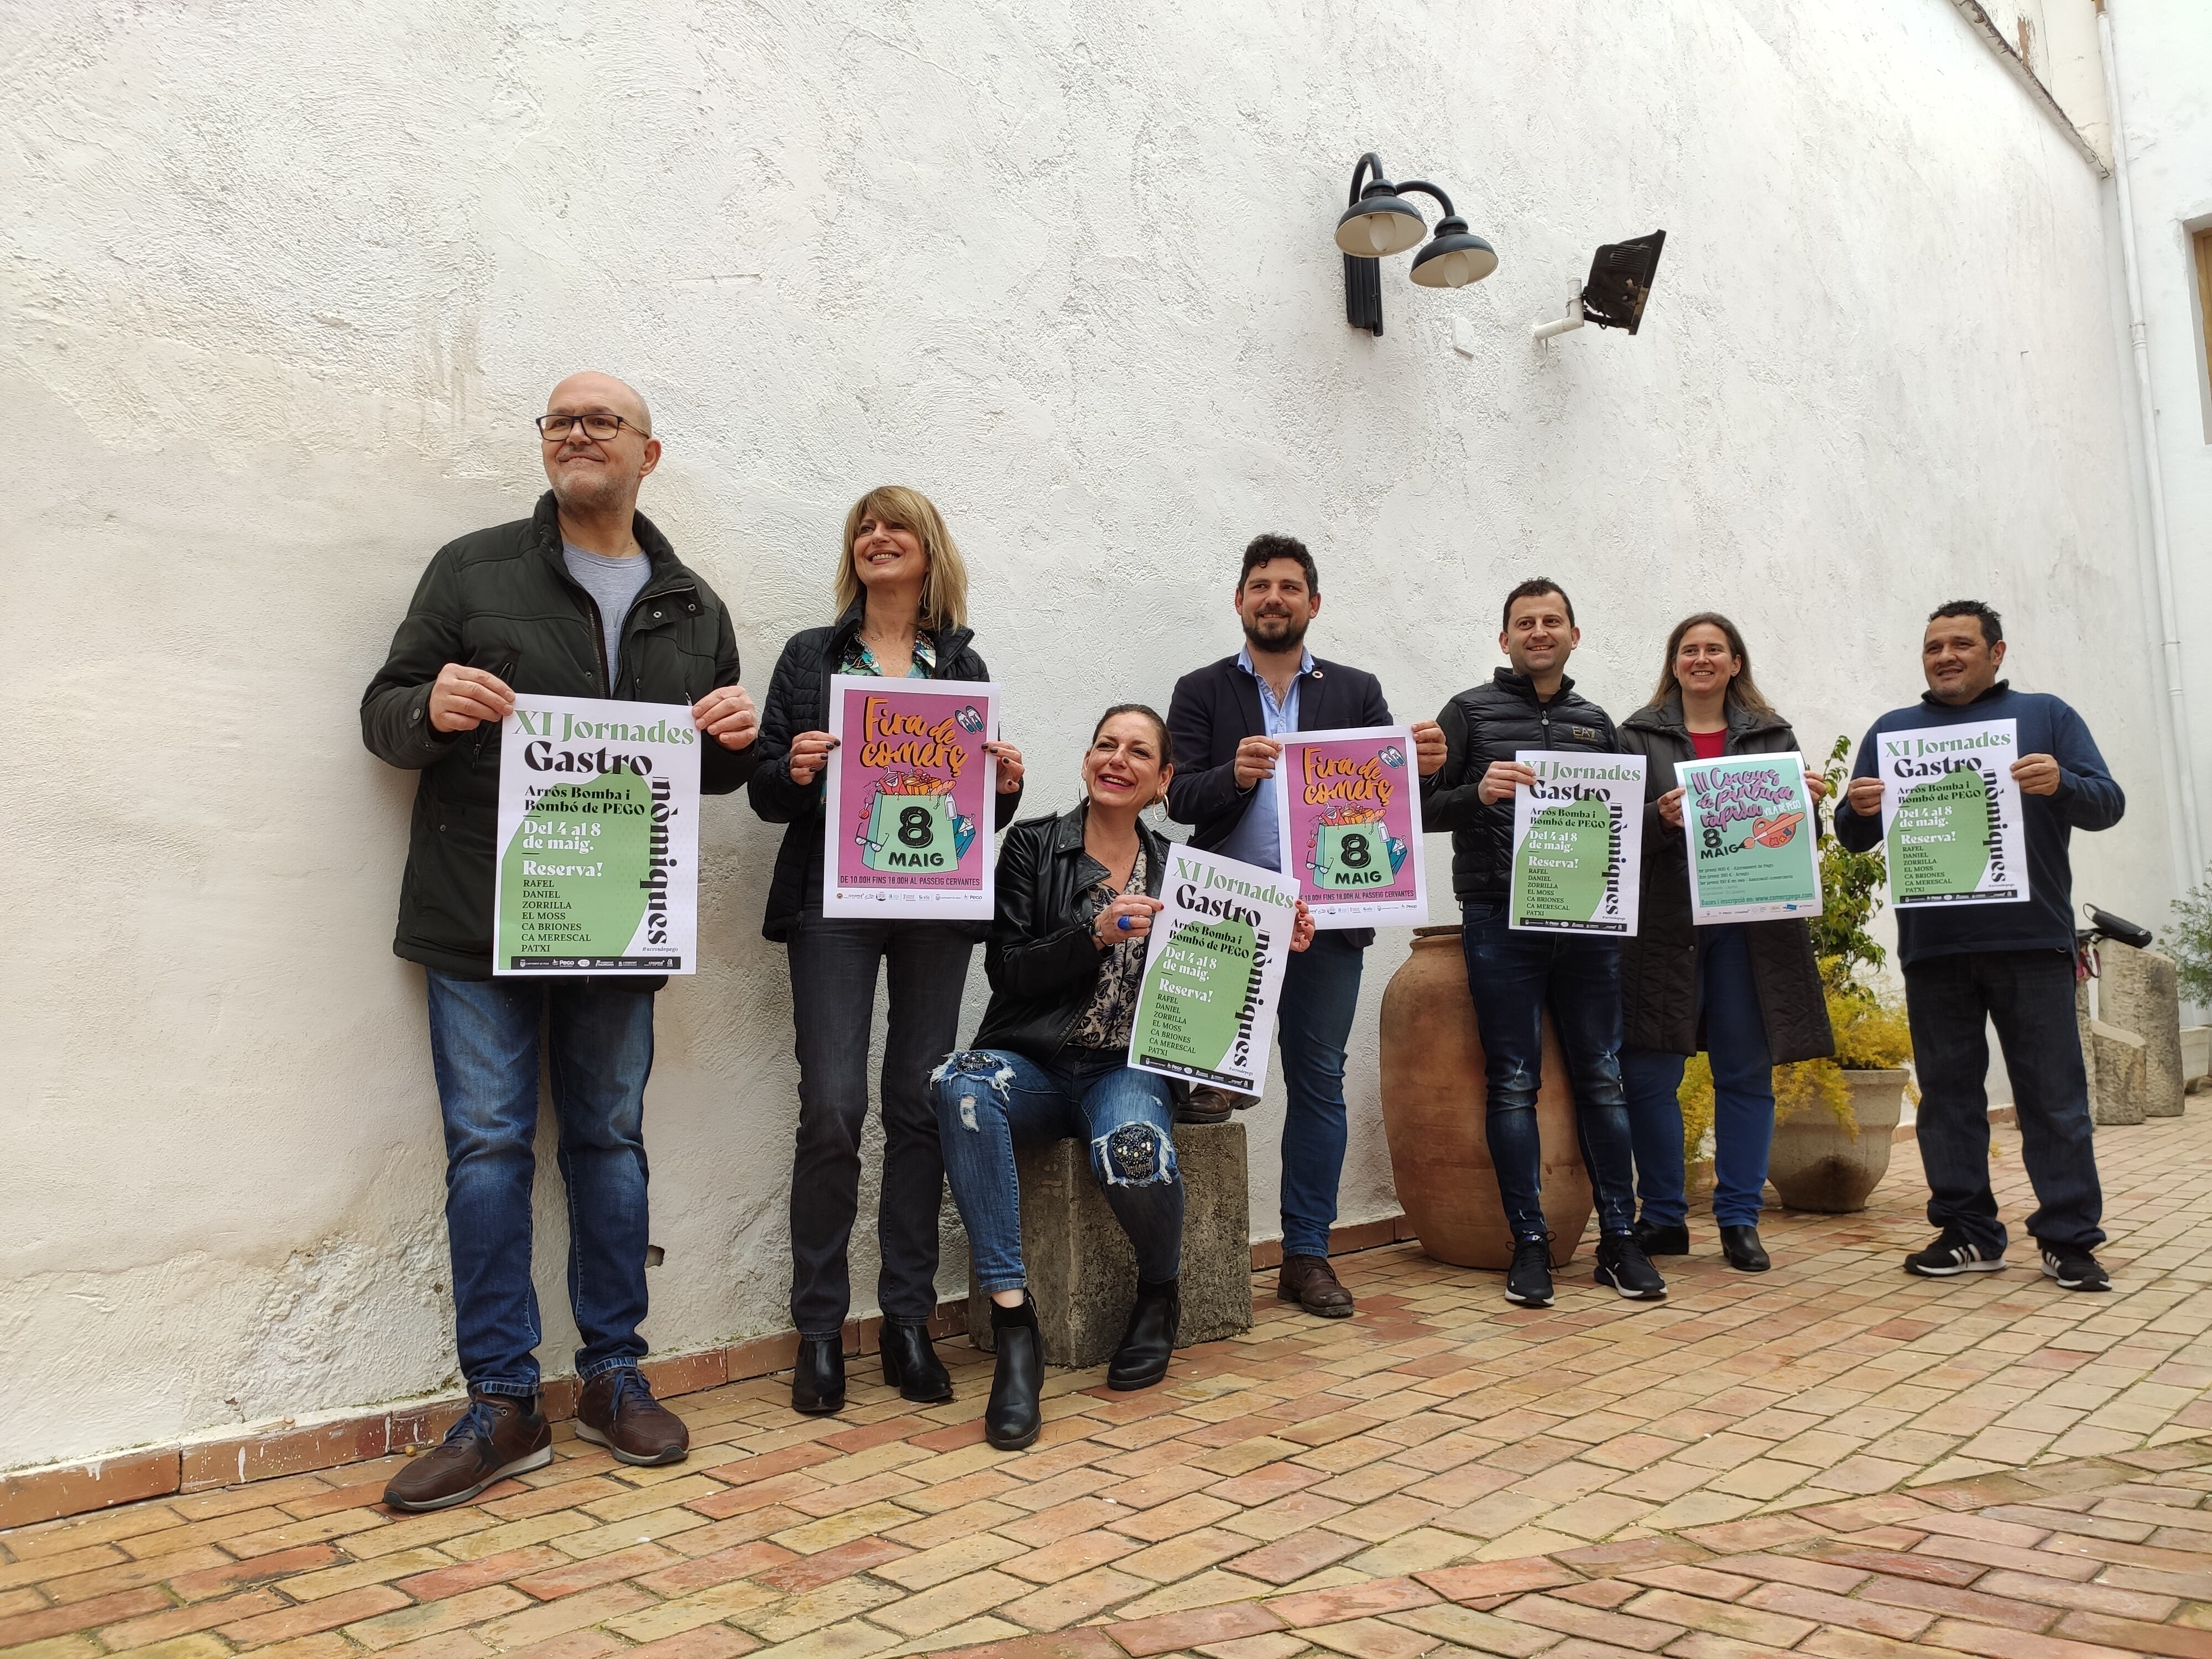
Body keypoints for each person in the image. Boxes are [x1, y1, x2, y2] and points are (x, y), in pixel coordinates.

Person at [361, 373, 763, 1510]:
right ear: (544, 446)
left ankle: (612, 1375)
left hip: (614, 921)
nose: (576, 433)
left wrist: (736, 739)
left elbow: (711, 761)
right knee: (488, 1146)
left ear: (649, 453)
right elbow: (383, 713)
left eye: (603, 421)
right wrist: (426, 708)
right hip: (478, 919)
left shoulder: (692, 604)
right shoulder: (470, 569)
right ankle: (500, 1402)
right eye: (559, 420)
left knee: (608, 1139)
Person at [934, 706, 1317, 1448]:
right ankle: (1017, 1326)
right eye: (1105, 745)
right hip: (1034, 1062)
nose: (1118, 760)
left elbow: (1225, 984)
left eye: (1139, 752)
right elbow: (1008, 969)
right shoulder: (1033, 847)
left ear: (1163, 780)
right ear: (1086, 761)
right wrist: (1091, 936)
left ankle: (1159, 1292)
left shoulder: (1185, 874)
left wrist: (1278, 944)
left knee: (1134, 1153)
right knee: (960, 1084)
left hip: (1125, 1070)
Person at [749, 487, 1025, 1416]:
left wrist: (1006, 787)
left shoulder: (964, 663)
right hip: (837, 899)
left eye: (894, 525)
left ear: (928, 549)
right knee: (831, 1106)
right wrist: (790, 768)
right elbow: (764, 791)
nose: (876, 537)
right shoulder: (809, 657)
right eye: (864, 527)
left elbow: (971, 809)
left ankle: (906, 1319)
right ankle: (820, 1330)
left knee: (919, 1104)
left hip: (934, 903)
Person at [1164, 535, 1444, 1319]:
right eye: (1260, 585)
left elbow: (1397, 800)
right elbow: (1179, 796)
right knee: (1201, 1088)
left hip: (1328, 920)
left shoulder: (1356, 691)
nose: (1274, 597)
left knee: (1317, 1083)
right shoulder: (1201, 691)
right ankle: (1187, 1265)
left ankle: (1307, 1256)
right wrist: (1233, 776)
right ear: (1240, 601)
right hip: (1228, 916)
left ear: (1313, 604)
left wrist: (1426, 767)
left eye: (1290, 586)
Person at [1835, 601, 2124, 1291]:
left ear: (1996, 653)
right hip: (1934, 949)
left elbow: (2106, 803)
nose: (1945, 657)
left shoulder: (2046, 716)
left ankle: (2068, 1239)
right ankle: (1967, 1232)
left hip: (2032, 943)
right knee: (1947, 1099)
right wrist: (1859, 809)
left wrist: (2062, 783)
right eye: (1933, 646)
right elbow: (1852, 834)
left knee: (2054, 1100)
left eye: (1961, 644)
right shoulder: (1893, 732)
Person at [1421, 578, 1666, 1308]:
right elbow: (1419, 809)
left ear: (1573, 635)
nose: (1539, 631)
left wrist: (1671, 817)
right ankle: (1528, 1244)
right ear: (1505, 639)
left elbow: (1627, 828)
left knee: (1603, 1079)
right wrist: (1479, 794)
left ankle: (1619, 1242)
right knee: (1513, 1081)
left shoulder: (1598, 724)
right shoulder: (1466, 712)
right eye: (1525, 623)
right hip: (1499, 917)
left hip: (1587, 925)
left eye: (1551, 620)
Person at [1616, 614, 1836, 1274]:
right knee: (1649, 1072)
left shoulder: (1773, 735)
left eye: (1714, 649)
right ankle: (1661, 1215)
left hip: (1752, 928)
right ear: (1674, 663)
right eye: (1690, 650)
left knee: (1744, 1073)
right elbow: (1616, 831)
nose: (1701, 659)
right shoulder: (1635, 736)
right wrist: (1657, 819)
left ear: (1735, 662)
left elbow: (1792, 837)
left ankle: (1739, 1219)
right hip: (1663, 927)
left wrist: (1812, 806)